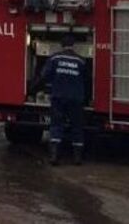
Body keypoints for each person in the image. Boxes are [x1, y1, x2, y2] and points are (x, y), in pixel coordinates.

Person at [31, 33, 89, 165]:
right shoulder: (81, 61)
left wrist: (32, 89)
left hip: (58, 97)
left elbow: (44, 76)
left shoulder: (54, 58)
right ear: (73, 46)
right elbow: (87, 80)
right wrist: (86, 97)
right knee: (77, 127)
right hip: (76, 99)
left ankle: (54, 156)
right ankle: (77, 158)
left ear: (61, 45)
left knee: (56, 125)